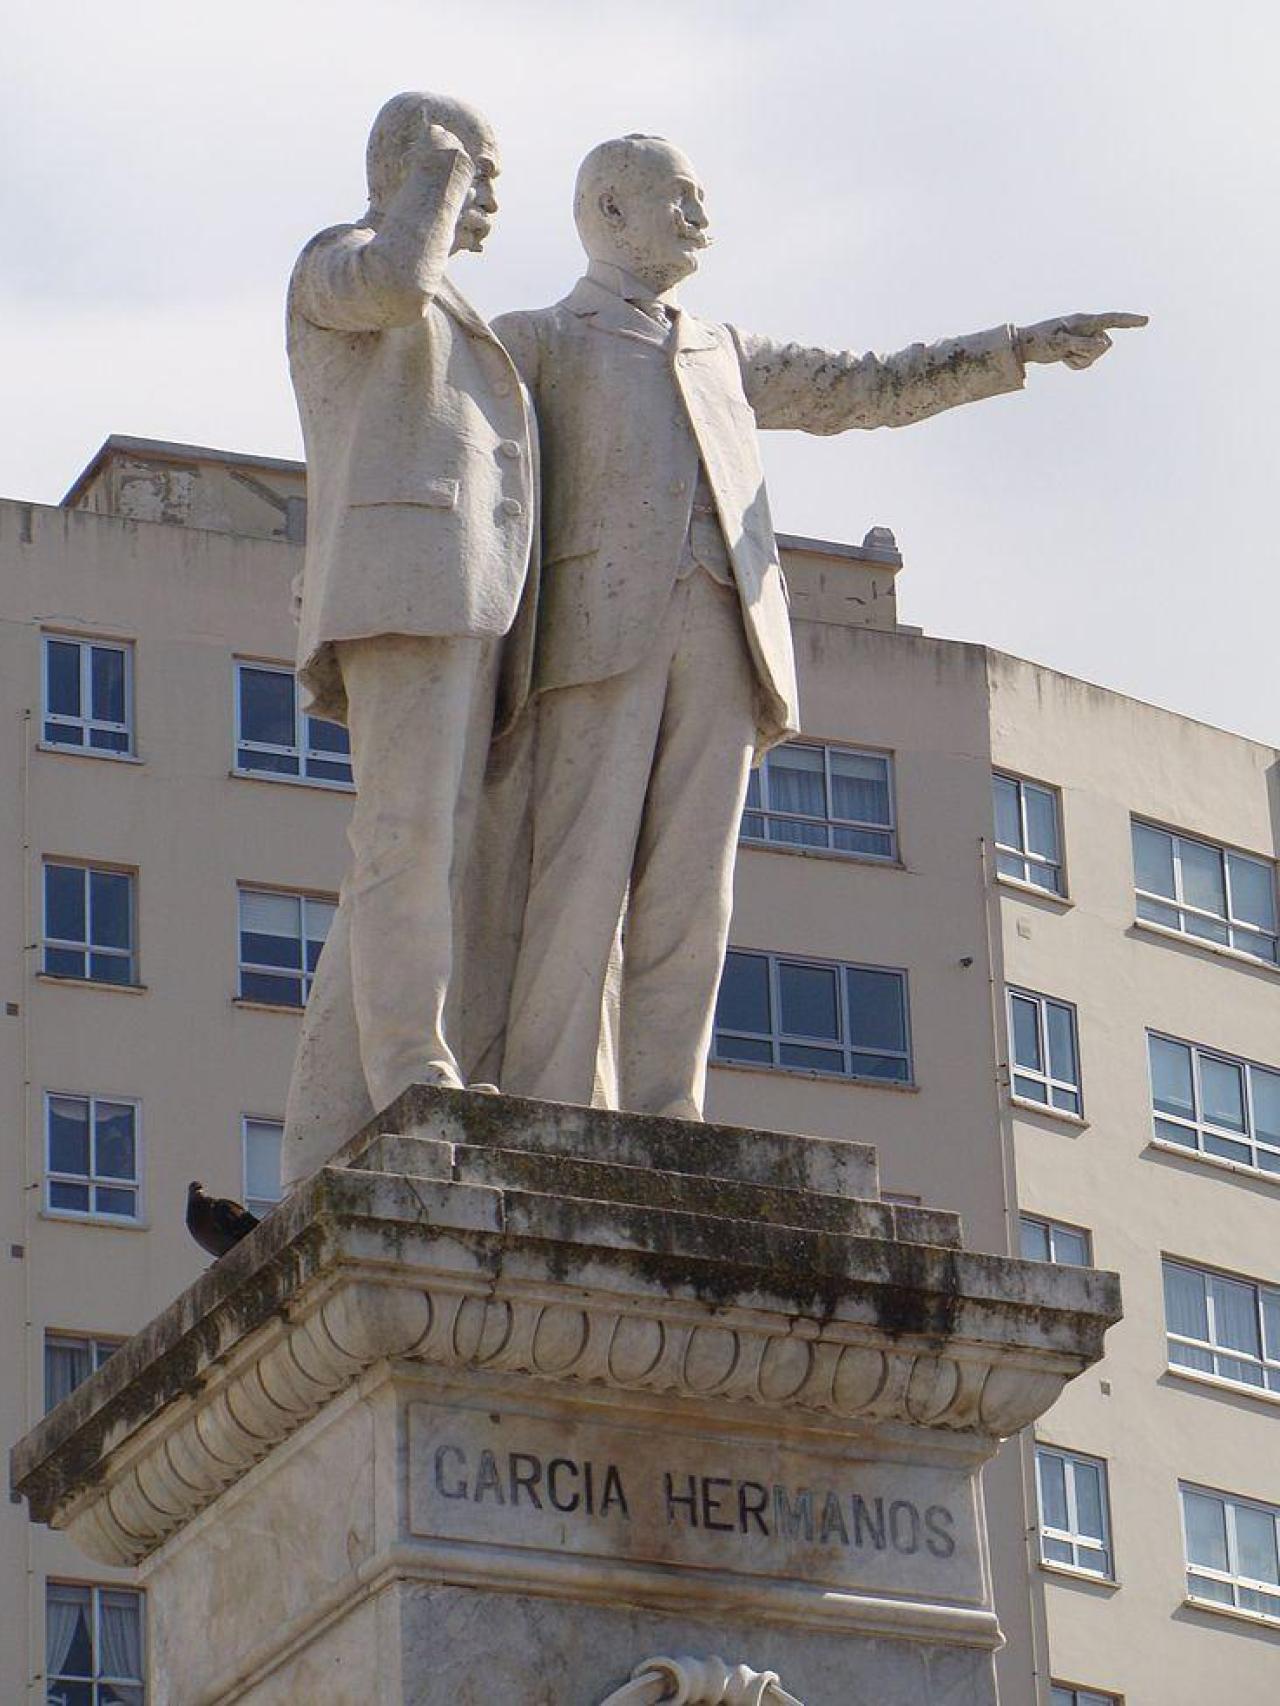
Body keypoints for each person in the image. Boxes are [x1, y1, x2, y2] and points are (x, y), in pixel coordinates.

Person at [494, 132, 1144, 1120]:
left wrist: (1013, 347)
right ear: (610, 209)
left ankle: (666, 1110)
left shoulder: (723, 349)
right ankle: (547, 1103)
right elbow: (459, 472)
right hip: (589, 634)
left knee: (690, 887)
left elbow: (862, 388)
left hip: (723, 626)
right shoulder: (533, 339)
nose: (701, 219)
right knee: (577, 872)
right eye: (681, 198)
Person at [280, 91, 536, 1187]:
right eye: (480, 172)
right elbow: (394, 282)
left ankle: (320, 1136)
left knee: (418, 853)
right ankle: (409, 1073)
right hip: (399, 592)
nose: (488, 201)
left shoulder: (459, 313)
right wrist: (437, 172)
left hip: (464, 598)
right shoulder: (338, 262)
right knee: (404, 845)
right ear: (418, 164)